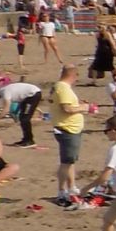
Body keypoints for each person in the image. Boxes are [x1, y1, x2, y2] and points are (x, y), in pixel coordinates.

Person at [48, 66, 91, 205]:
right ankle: (61, 191)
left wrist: (79, 105)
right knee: (66, 162)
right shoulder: (63, 88)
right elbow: (66, 108)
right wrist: (84, 108)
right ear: (73, 75)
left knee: (70, 161)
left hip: (70, 128)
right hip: (67, 129)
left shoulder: (59, 87)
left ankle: (72, 187)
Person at [0, 80, 41, 147]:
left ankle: (29, 141)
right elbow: (20, 100)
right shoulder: (5, 90)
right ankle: (26, 139)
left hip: (32, 94)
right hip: (29, 96)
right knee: (22, 117)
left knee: (25, 119)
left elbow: (6, 110)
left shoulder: (5, 92)